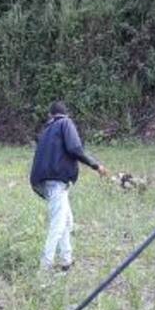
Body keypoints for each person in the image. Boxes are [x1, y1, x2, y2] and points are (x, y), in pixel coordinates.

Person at [29, 101, 109, 271]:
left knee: (66, 221)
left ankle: (67, 260)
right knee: (58, 224)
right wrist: (96, 165)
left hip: (44, 181)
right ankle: (45, 265)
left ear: (50, 115)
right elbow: (75, 148)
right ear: (66, 114)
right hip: (56, 181)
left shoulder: (46, 130)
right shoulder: (65, 123)